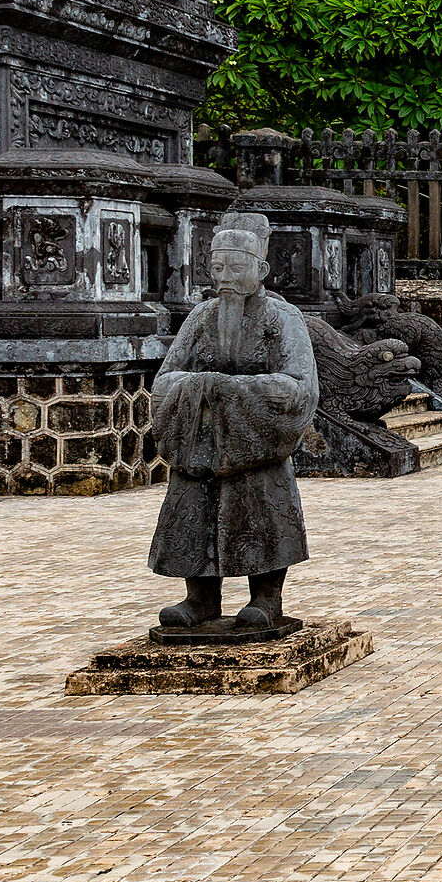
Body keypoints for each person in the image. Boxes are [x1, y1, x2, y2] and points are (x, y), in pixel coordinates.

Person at [147, 212, 318, 633]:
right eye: (219, 267)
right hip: (200, 443)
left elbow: (298, 385)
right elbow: (166, 380)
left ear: (260, 270)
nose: (225, 276)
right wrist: (200, 387)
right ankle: (200, 598)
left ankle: (267, 598)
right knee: (193, 510)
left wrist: (232, 393)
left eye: (237, 267)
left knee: (261, 511)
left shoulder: (282, 318)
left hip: (255, 443)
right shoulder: (201, 318)